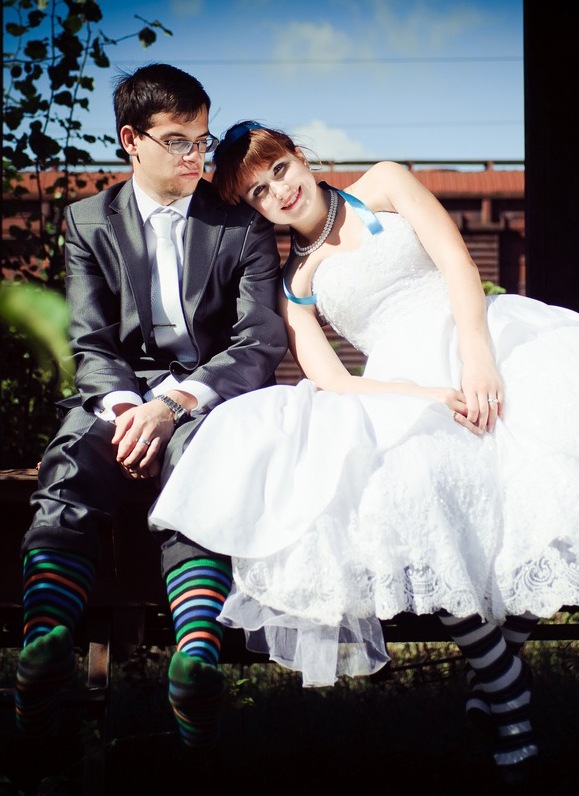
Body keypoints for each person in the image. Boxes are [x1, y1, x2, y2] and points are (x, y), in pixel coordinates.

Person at [149, 120, 579, 783]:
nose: (279, 192)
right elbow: (336, 381)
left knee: (548, 445)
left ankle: (499, 666)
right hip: (404, 383)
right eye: (259, 192)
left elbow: (457, 263)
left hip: (482, 334)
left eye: (280, 170)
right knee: (408, 490)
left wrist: (476, 359)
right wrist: (426, 396)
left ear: (300, 157)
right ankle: (502, 681)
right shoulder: (294, 281)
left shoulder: (384, 182)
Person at [15, 84, 287, 753]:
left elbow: (258, 341)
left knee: (201, 465)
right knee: (71, 459)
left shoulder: (242, 223)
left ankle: (196, 659)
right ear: (131, 141)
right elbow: (90, 342)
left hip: (205, 398)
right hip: (119, 395)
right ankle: (43, 644)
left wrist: (173, 406)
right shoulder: (89, 220)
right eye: (177, 140)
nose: (196, 155)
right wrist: (128, 411)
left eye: (202, 139)